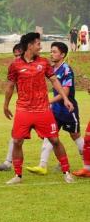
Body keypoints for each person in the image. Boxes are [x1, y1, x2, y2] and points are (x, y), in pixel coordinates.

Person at [3, 32, 75, 185]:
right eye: (38, 44)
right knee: (17, 141)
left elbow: (54, 81)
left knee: (55, 140)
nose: (41, 47)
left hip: (43, 110)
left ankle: (67, 172)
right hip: (23, 110)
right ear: (29, 45)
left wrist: (66, 98)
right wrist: (5, 104)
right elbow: (10, 86)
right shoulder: (15, 65)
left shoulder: (44, 62)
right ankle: (17, 175)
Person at [27, 42, 83, 175]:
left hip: (68, 110)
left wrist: (49, 101)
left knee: (75, 135)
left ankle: (87, 164)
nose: (51, 54)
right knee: (50, 135)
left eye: (54, 52)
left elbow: (66, 91)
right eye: (51, 51)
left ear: (62, 54)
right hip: (55, 110)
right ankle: (42, 165)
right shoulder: (52, 69)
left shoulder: (66, 69)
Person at [0, 43, 25, 171]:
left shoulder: (39, 64)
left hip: (41, 107)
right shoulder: (15, 68)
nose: (16, 58)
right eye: (15, 56)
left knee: (53, 138)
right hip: (24, 107)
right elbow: (10, 87)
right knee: (16, 135)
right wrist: (5, 105)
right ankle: (8, 163)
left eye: (19, 55)